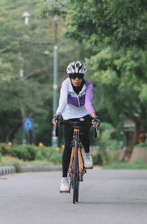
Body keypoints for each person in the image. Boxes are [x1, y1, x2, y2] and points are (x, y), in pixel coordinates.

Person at [52, 60, 100, 193]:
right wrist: (57, 115)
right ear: (69, 77)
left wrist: (94, 117)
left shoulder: (88, 86)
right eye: (73, 76)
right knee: (67, 147)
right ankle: (64, 179)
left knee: (84, 134)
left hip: (84, 113)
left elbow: (88, 103)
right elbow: (62, 102)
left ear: (83, 77)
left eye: (79, 76)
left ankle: (87, 153)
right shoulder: (65, 85)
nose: (77, 79)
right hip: (68, 114)